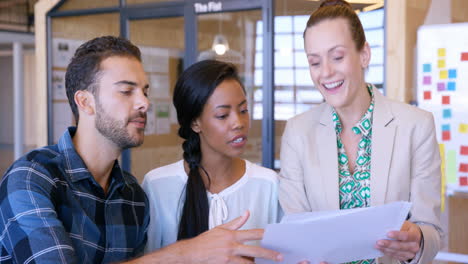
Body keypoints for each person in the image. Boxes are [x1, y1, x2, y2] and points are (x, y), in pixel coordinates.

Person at [0, 36, 282, 264]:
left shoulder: (132, 196)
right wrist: (190, 253)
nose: (144, 103)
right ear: (85, 102)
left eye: (144, 91)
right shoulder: (32, 177)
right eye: (127, 91)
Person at [279, 1, 442, 264]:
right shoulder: (297, 133)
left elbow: (432, 233)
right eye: (315, 62)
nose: (326, 72)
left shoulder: (416, 126)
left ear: (364, 54)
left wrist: (417, 240)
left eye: (338, 56)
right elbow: (296, 229)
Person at [142, 60, 281, 253]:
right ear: (195, 123)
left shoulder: (268, 184)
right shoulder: (157, 185)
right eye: (223, 115)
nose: (238, 123)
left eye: (243, 111)